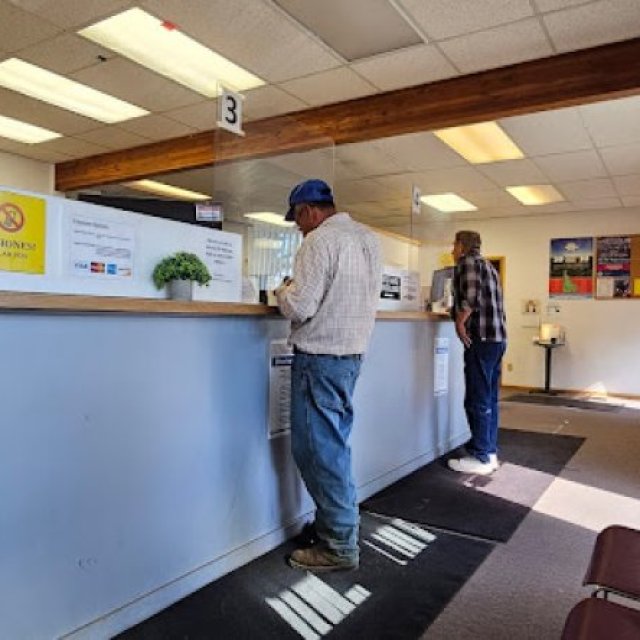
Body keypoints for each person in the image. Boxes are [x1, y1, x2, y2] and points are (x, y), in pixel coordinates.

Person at [275, 178, 382, 572]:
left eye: (298, 220)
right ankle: (331, 526)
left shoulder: (318, 242)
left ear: (308, 211)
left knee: (320, 453)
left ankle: (339, 544)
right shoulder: (369, 239)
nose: (299, 228)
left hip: (319, 359)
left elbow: (300, 306)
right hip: (351, 357)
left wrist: (281, 291)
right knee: (333, 447)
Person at [448, 230, 507, 476]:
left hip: (480, 340)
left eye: (454, 245)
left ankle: (480, 456)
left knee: (476, 399)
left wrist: (460, 323)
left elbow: (469, 299)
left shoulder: (468, 263)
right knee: (489, 399)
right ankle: (489, 452)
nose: (452, 250)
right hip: (497, 339)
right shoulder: (490, 267)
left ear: (461, 245)